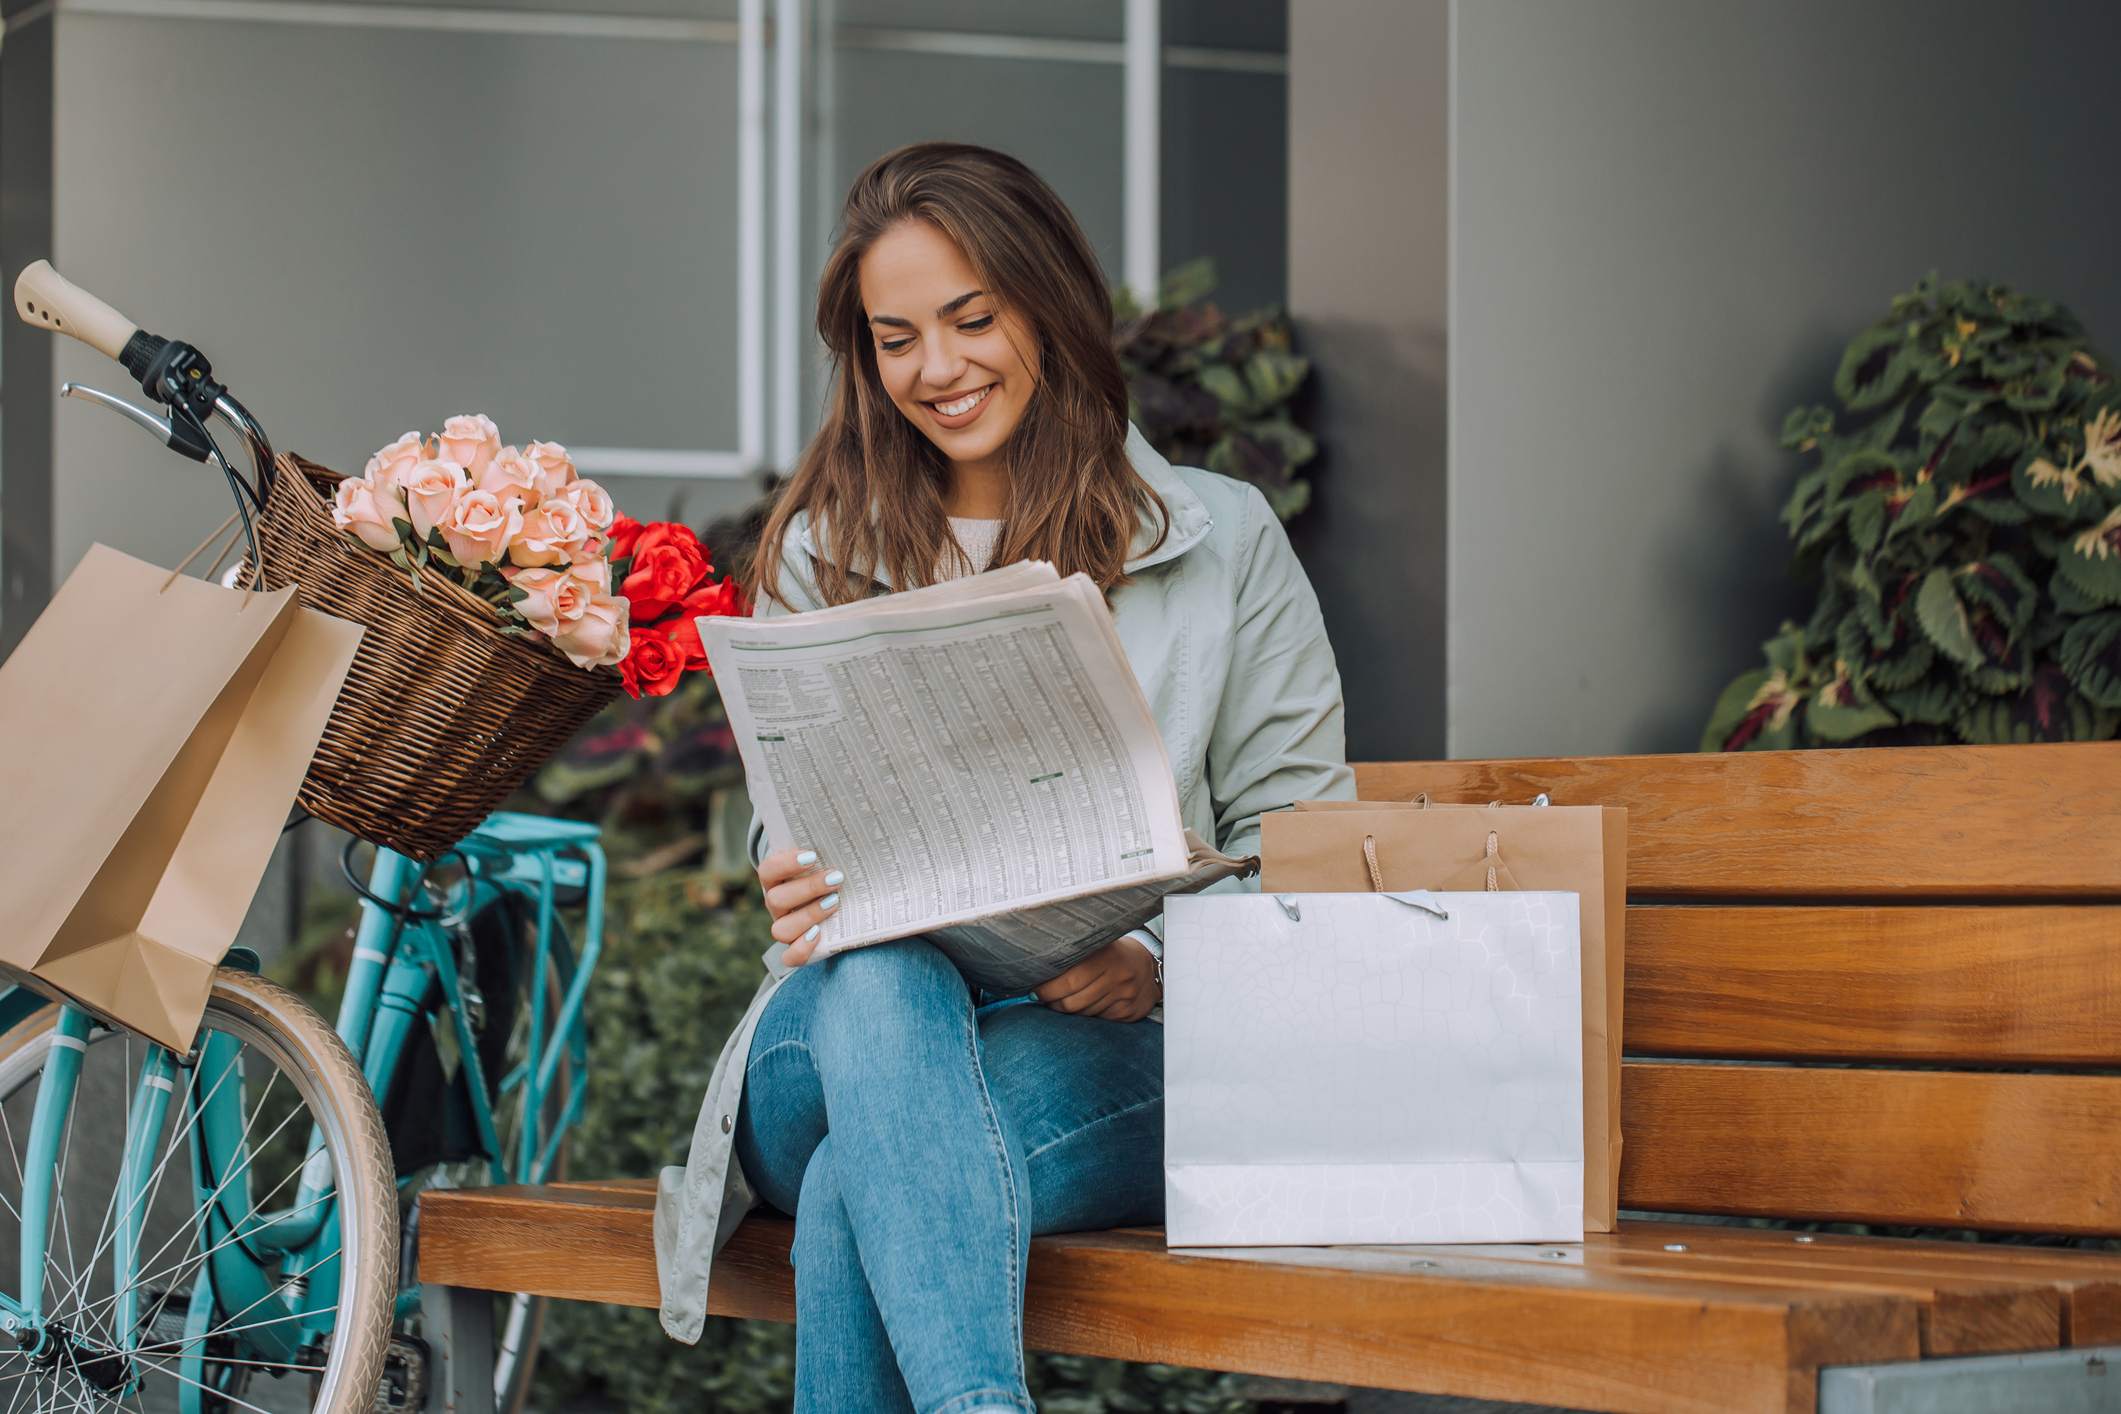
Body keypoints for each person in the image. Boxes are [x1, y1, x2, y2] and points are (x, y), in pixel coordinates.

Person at [653, 141, 1353, 1413]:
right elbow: (792, 823)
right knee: (879, 974)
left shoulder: (1220, 540)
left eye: (973, 319)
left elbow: (1306, 843)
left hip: (1107, 1033)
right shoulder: (821, 550)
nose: (939, 369)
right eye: (897, 336)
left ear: (1050, 305)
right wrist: (790, 879)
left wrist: (1163, 964)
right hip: (839, 1035)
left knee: (865, 1194)